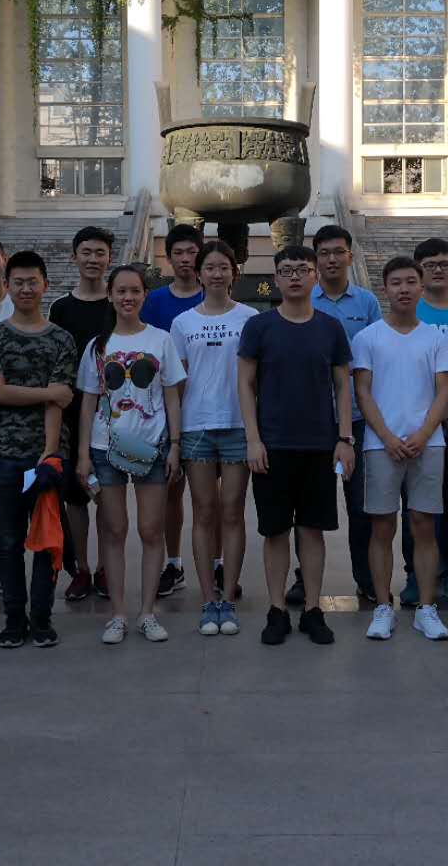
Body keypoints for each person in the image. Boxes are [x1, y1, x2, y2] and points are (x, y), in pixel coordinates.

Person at [238, 244, 355, 646]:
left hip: (319, 445)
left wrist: (344, 438)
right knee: (274, 531)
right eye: (286, 270)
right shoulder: (259, 327)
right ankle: (276, 610)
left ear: (315, 276)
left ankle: (312, 609)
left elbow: (343, 386)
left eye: (302, 270)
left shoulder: (330, 328)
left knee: (312, 529)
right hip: (272, 446)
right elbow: (245, 384)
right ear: (276, 277)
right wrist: (253, 439)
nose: (294, 277)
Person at [0, 250, 79, 649]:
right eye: (18, 282)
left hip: (45, 458)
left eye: (33, 281)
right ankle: (14, 620)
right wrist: (49, 391)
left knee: (46, 539)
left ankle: (42, 618)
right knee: (9, 541)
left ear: (45, 285)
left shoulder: (62, 339)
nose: (26, 288)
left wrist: (49, 453)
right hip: (4, 454)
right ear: (7, 286)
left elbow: (59, 403)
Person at [76, 265, 186, 644]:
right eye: (121, 291)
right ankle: (118, 615)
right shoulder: (97, 346)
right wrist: (82, 455)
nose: (128, 297)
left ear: (144, 295)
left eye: (135, 291)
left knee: (151, 529)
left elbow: (172, 397)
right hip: (105, 449)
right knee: (114, 529)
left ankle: (148, 613)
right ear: (110, 295)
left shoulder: (161, 340)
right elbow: (88, 402)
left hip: (151, 447)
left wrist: (175, 445)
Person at [353, 256, 448, 642]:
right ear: (385, 289)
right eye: (396, 282)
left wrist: (424, 433)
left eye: (411, 281)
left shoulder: (435, 338)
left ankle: (426, 608)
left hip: (428, 445)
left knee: (424, 525)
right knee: (382, 526)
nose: (404, 289)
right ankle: (383, 606)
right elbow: (363, 392)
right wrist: (388, 437)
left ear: (421, 286)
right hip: (380, 446)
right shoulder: (368, 338)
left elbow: (444, 391)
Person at [171, 239, 258, 636]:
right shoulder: (183, 323)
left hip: (238, 426)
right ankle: (208, 599)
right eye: (210, 267)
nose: (217, 273)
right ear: (199, 274)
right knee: (204, 512)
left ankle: (229, 598)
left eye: (224, 267)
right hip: (197, 428)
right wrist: (174, 436)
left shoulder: (250, 318)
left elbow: (256, 378)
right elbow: (177, 383)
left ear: (234, 273)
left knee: (233, 511)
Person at [305, 224, 382, 605]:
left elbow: (378, 356)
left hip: (359, 420)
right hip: (314, 420)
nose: (332, 259)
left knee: (361, 506)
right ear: (316, 259)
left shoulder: (366, 303)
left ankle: (366, 579)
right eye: (324, 253)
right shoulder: (305, 298)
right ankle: (304, 580)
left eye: (338, 252)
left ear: (350, 256)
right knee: (310, 506)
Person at [48, 226, 117, 602]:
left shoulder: (117, 303)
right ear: (74, 257)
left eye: (100, 253)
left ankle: (106, 568)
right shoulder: (61, 308)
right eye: (86, 252)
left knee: (107, 496)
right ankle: (82, 569)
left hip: (113, 415)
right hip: (71, 413)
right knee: (75, 497)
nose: (93, 259)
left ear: (110, 258)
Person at [140, 223, 205, 598]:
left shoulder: (215, 296)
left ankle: (216, 564)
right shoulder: (154, 302)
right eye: (178, 253)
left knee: (210, 498)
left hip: (208, 409)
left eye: (191, 252)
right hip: (165, 411)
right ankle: (174, 563)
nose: (185, 259)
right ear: (168, 258)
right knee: (171, 491)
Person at [410, 237, 448, 608]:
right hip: (418, 423)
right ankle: (415, 575)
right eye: (429, 264)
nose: (437, 270)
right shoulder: (409, 311)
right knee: (416, 505)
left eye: (444, 263)